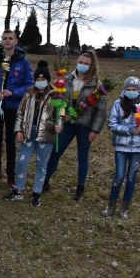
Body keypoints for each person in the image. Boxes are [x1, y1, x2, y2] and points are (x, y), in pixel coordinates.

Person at [43, 51, 108, 201]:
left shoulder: (96, 85)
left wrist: (95, 130)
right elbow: (59, 99)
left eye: (86, 64)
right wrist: (61, 115)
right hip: (67, 124)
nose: (82, 65)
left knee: (82, 157)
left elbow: (101, 111)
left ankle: (80, 188)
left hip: (85, 126)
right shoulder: (66, 80)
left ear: (91, 66)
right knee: (55, 152)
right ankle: (45, 180)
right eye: (81, 62)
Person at [0, 30, 33, 188]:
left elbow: (29, 84)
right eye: (5, 39)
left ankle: (11, 176)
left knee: (11, 142)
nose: (8, 41)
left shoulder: (23, 61)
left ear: (16, 41)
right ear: (1, 41)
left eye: (11, 38)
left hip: (12, 108)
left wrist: (13, 93)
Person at [3, 61, 60, 207]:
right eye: (37, 79)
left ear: (48, 80)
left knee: (41, 165)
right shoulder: (29, 94)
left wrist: (59, 125)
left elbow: (60, 115)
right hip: (28, 132)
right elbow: (20, 113)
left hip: (46, 135)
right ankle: (18, 190)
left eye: (43, 79)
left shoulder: (55, 96)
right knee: (22, 161)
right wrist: (18, 130)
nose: (40, 82)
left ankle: (36, 193)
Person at [103, 77, 140, 218]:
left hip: (138, 147)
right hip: (121, 146)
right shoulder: (118, 104)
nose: (131, 91)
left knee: (131, 177)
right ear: (124, 90)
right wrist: (130, 129)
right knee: (119, 176)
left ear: (139, 90)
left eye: (134, 89)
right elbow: (112, 124)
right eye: (128, 89)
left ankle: (125, 207)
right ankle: (111, 205)